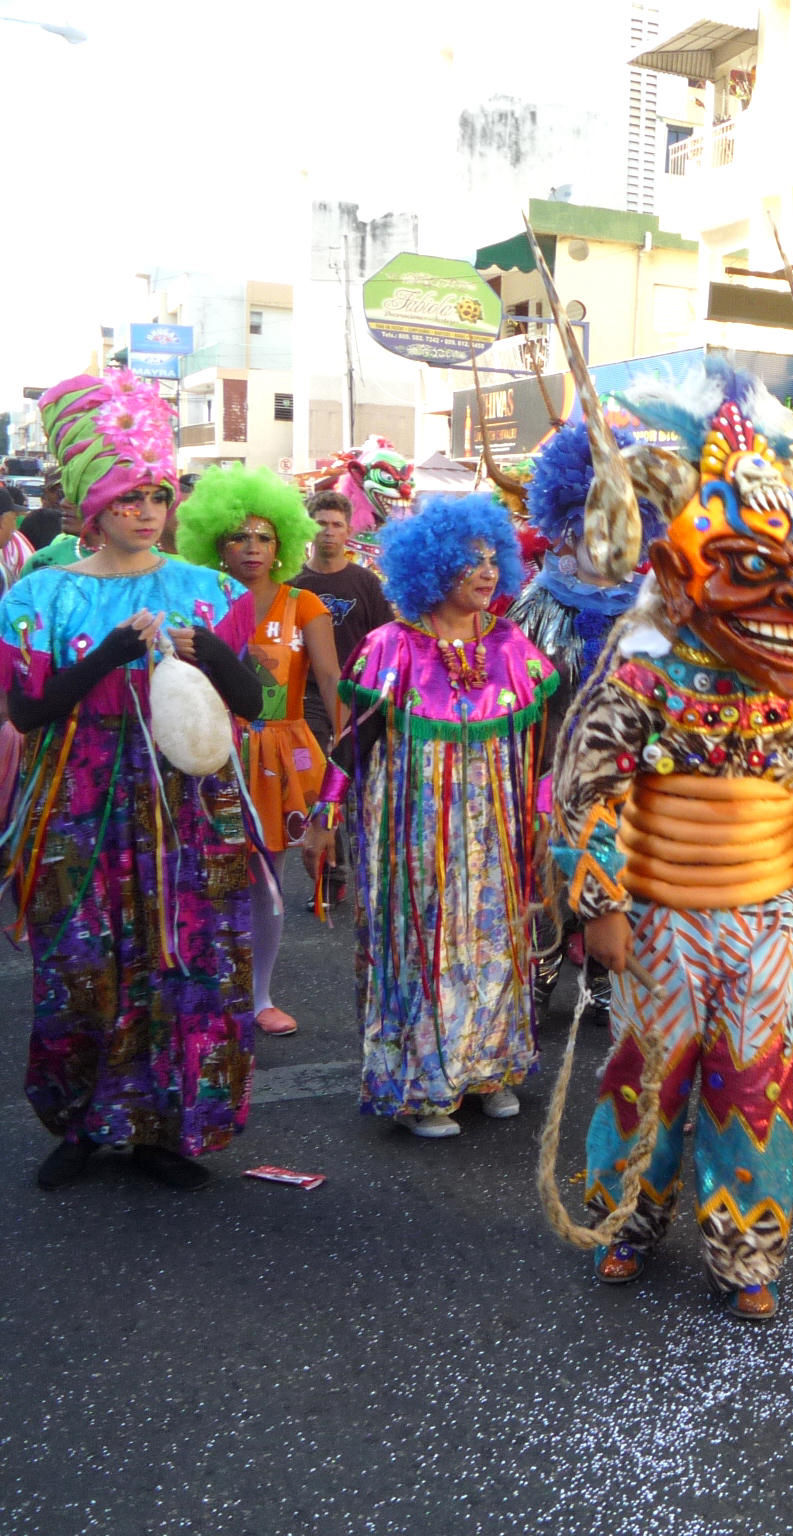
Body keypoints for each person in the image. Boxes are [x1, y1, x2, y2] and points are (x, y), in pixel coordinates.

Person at [544, 361, 793, 1317]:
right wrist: (602, 907)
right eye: (757, 572)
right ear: (679, 574)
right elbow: (586, 791)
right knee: (648, 1080)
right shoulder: (644, 675)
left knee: (754, 1085)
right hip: (661, 919)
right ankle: (625, 1219)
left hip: (768, 921)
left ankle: (746, 1254)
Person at [2, 371, 263, 1192]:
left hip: (186, 801)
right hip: (78, 801)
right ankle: (82, 1124)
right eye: (128, 497)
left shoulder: (212, 590)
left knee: (183, 961)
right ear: (93, 504)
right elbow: (29, 711)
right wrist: (109, 656)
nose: (147, 510)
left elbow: (252, 702)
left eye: (156, 494)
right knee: (78, 960)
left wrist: (210, 653)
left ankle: (163, 1127)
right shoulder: (38, 596)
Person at [303, 494, 556, 1138]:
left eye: (492, 559)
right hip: (413, 832)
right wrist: (325, 814)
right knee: (426, 945)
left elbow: (545, 743)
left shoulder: (510, 645)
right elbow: (352, 740)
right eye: (469, 561)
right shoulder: (391, 646)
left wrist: (550, 806)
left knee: (493, 940)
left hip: (496, 834)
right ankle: (423, 1084)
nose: (486, 572)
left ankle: (488, 1069)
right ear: (432, 566)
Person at [506, 422, 662, 1031]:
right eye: (592, 524)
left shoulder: (650, 610)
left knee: (616, 870)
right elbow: (514, 696)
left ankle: (599, 982)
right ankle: (542, 974)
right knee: (552, 876)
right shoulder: (538, 603)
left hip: (634, 773)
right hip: (552, 767)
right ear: (568, 529)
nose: (603, 539)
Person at [178, 466, 341, 1038]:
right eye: (239, 536)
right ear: (216, 541)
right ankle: (207, 989)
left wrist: (345, 755)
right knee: (205, 876)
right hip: (209, 751)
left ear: (281, 544)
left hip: (279, 753)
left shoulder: (304, 603)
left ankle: (260, 995)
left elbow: (328, 678)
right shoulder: (197, 597)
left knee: (266, 876)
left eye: (264, 536)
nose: (252, 548)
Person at [294, 490, 394, 745]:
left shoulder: (367, 582)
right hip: (307, 695)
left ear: (348, 531)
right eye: (321, 523)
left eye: (337, 525)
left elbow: (384, 641)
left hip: (357, 691)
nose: (329, 531)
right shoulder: (292, 585)